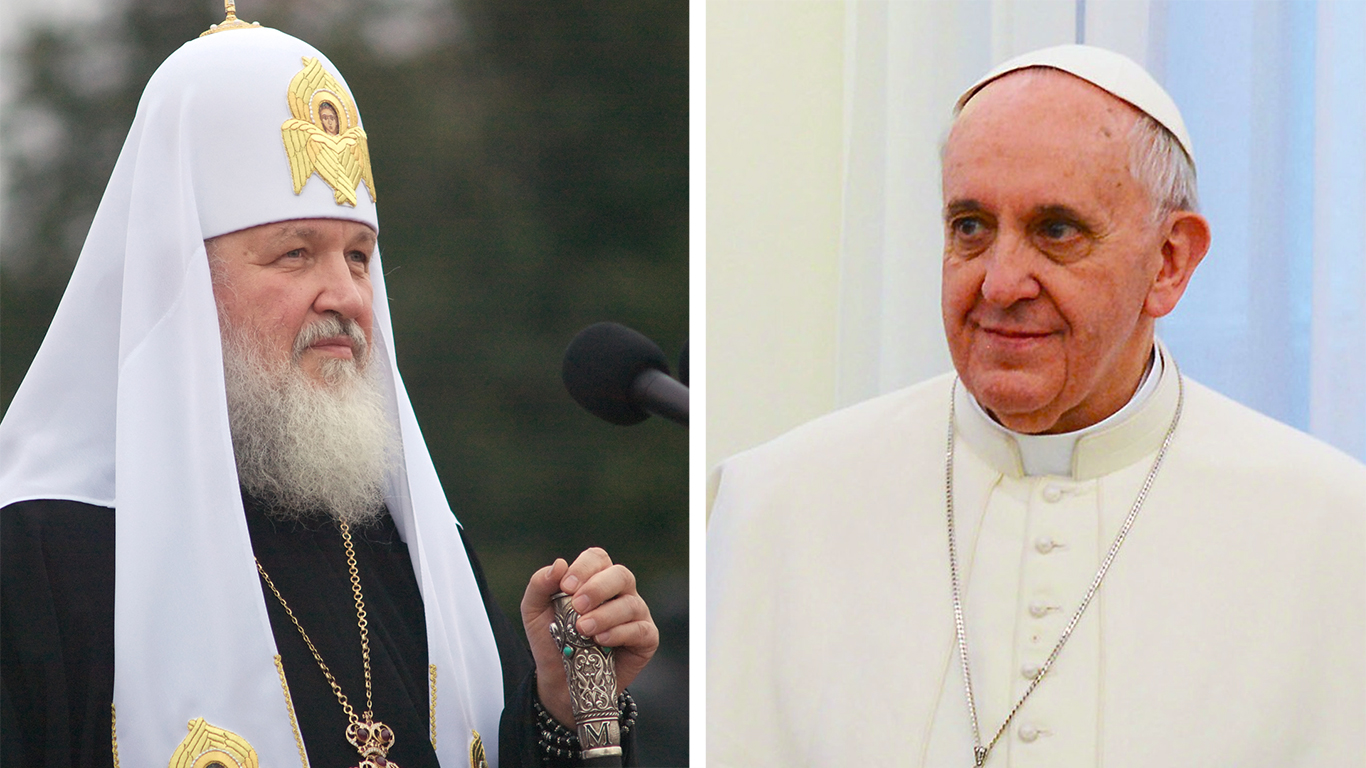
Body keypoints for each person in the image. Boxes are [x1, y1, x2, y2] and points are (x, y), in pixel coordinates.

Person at [0, 14, 656, 768]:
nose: (343, 294)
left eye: (358, 255)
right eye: (294, 254)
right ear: (178, 285)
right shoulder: (42, 557)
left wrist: (569, 718)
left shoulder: (413, 545)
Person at [707, 44, 1366, 766]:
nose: (1000, 283)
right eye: (970, 227)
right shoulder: (777, 503)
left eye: (1056, 232)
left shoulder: (1332, 528)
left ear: (1170, 261)